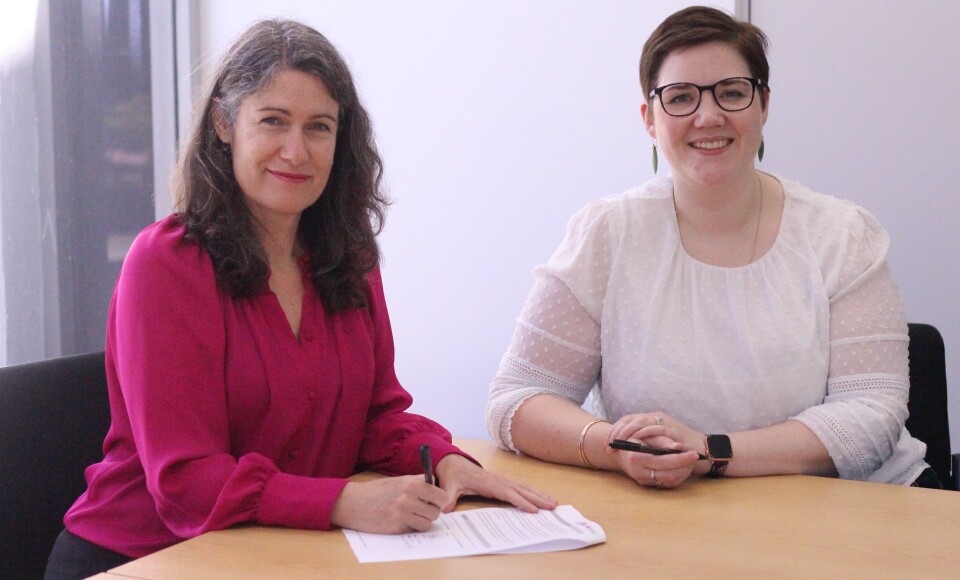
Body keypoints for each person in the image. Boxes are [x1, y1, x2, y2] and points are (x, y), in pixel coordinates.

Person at [46, 19, 555, 579]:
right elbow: (186, 482)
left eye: (319, 127)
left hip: (281, 555)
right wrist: (342, 502)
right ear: (224, 123)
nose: (296, 150)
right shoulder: (166, 264)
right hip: (144, 559)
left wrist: (444, 460)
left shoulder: (348, 260)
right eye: (272, 121)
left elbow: (377, 416)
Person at [485, 6, 934, 491]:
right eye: (679, 97)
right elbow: (518, 397)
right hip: (671, 511)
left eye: (732, 93)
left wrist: (708, 451)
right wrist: (617, 448)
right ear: (650, 120)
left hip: (850, 509)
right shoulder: (607, 234)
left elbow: (873, 412)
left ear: (763, 105)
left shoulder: (844, 235)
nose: (708, 115)